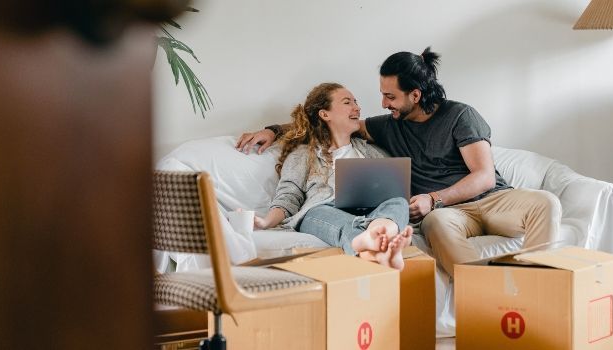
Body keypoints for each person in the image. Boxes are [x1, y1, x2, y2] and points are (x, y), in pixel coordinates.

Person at [237, 48, 561, 277]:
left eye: (390, 96)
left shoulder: (460, 116)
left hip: (491, 201)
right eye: (381, 94)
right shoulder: (385, 125)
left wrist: (432, 199)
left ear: (415, 96)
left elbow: (484, 177)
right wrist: (274, 130)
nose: (381, 103)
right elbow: (322, 127)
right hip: (445, 216)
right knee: (435, 225)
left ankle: (537, 282)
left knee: (546, 203)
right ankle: (481, 288)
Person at [254, 82, 413, 270]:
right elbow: (288, 196)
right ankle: (375, 244)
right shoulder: (303, 154)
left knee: (398, 201)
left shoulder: (373, 151)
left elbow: (395, 191)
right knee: (316, 212)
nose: (357, 107)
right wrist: (265, 222)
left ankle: (378, 239)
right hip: (323, 211)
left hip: (371, 212)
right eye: (347, 102)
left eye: (356, 102)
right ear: (324, 114)